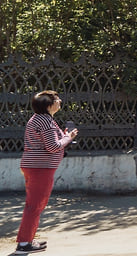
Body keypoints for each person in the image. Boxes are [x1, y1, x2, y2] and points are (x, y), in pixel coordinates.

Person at [18, 90, 78, 253]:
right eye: (57, 99)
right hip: (40, 168)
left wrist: (63, 137)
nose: (60, 101)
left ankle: (28, 240)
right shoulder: (45, 121)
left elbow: (51, 141)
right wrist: (69, 138)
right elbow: (53, 147)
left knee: (35, 205)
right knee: (34, 206)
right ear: (48, 104)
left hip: (36, 167)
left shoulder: (40, 119)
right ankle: (23, 244)